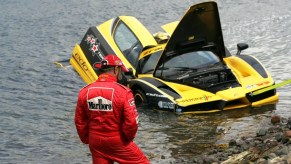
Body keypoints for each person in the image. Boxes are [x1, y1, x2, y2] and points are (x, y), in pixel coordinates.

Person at [74, 54, 149, 164]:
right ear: (116, 69)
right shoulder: (123, 92)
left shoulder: (84, 91)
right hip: (116, 139)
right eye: (120, 71)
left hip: (95, 141)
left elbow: (79, 120)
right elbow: (132, 122)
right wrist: (127, 138)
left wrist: (87, 139)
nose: (121, 74)